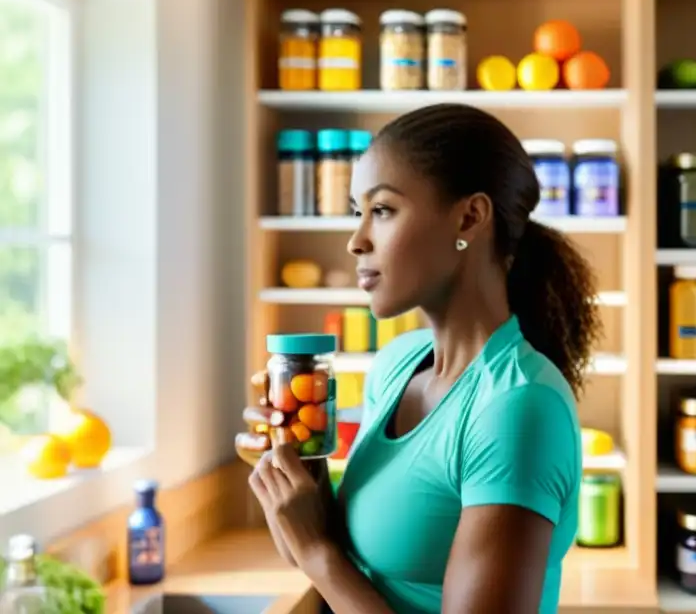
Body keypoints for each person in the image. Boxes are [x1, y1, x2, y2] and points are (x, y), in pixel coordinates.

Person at [245, 103, 601, 613]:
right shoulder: (397, 364)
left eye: (383, 210)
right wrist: (295, 466)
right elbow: (333, 563)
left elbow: (323, 560)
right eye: (357, 212)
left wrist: (317, 552)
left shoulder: (517, 407)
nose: (356, 240)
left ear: (469, 217)